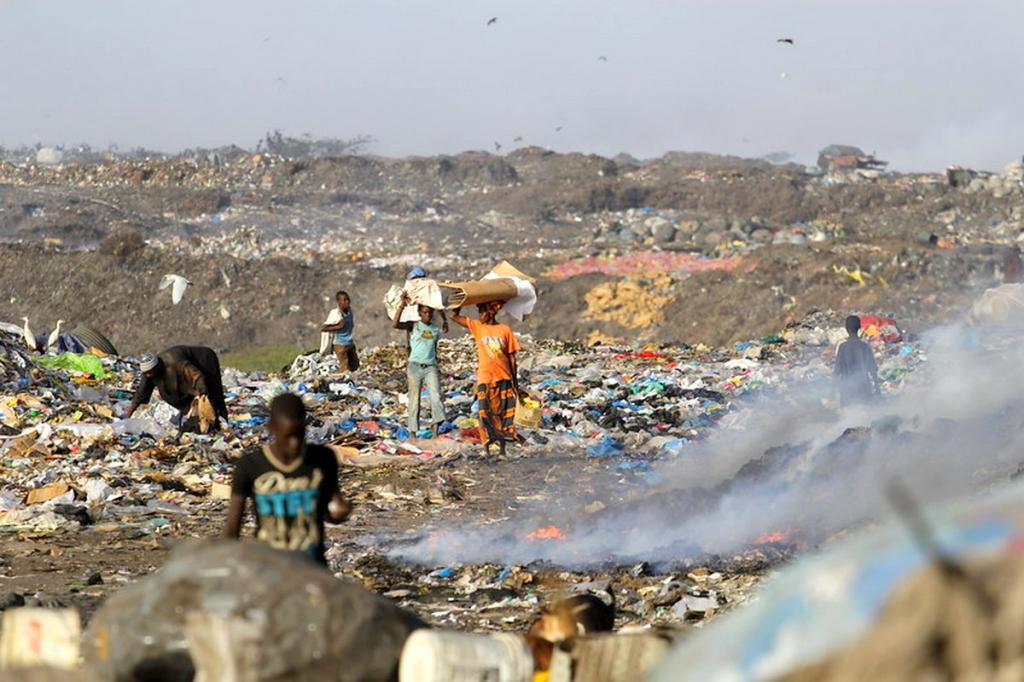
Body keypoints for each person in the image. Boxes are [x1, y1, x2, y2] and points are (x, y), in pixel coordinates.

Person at [224, 393, 352, 566]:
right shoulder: (251, 466)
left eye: (299, 435)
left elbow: (329, 512)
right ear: (272, 428)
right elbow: (232, 530)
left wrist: (340, 512)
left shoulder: (323, 459)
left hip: (312, 566)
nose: (295, 443)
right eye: (288, 435)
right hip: (269, 567)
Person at [451, 300, 521, 456]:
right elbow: (454, 317)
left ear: (491, 312)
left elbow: (512, 358)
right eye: (479, 312)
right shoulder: (478, 327)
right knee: (484, 414)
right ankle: (487, 449)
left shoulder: (505, 330)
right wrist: (460, 303)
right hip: (485, 378)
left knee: (502, 415)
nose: (480, 316)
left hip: (503, 377)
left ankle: (502, 449)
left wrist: (515, 382)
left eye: (483, 312)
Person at [125, 345, 229, 432]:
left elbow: (197, 376)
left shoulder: (176, 363)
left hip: (205, 362)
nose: (148, 376)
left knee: (214, 396)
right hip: (183, 380)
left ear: (158, 367)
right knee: (191, 408)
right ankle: (196, 424)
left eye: (150, 372)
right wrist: (128, 415)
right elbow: (141, 393)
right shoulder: (149, 373)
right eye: (146, 374)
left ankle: (222, 427)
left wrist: (203, 394)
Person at [393, 293, 446, 438]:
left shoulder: (435, 330)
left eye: (429, 312)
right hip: (415, 367)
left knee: (436, 397)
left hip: (430, 367)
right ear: (419, 313)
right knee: (414, 400)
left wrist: (445, 319)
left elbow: (433, 348)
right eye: (424, 312)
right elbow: (395, 324)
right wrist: (402, 305)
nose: (427, 315)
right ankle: (413, 434)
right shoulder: (414, 326)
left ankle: (435, 431)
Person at [834, 315, 882, 407]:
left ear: (846, 328)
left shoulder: (843, 347)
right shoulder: (864, 346)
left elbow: (837, 371)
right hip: (864, 388)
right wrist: (877, 388)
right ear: (859, 327)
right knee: (864, 415)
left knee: (849, 416)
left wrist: (831, 390)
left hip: (847, 390)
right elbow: (872, 369)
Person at [320, 290, 359, 372]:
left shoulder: (349, 311)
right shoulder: (336, 313)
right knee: (344, 368)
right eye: (344, 300)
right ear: (338, 302)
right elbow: (324, 328)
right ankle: (344, 383)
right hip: (340, 344)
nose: (347, 302)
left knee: (355, 366)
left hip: (349, 342)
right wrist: (339, 326)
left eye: (348, 299)